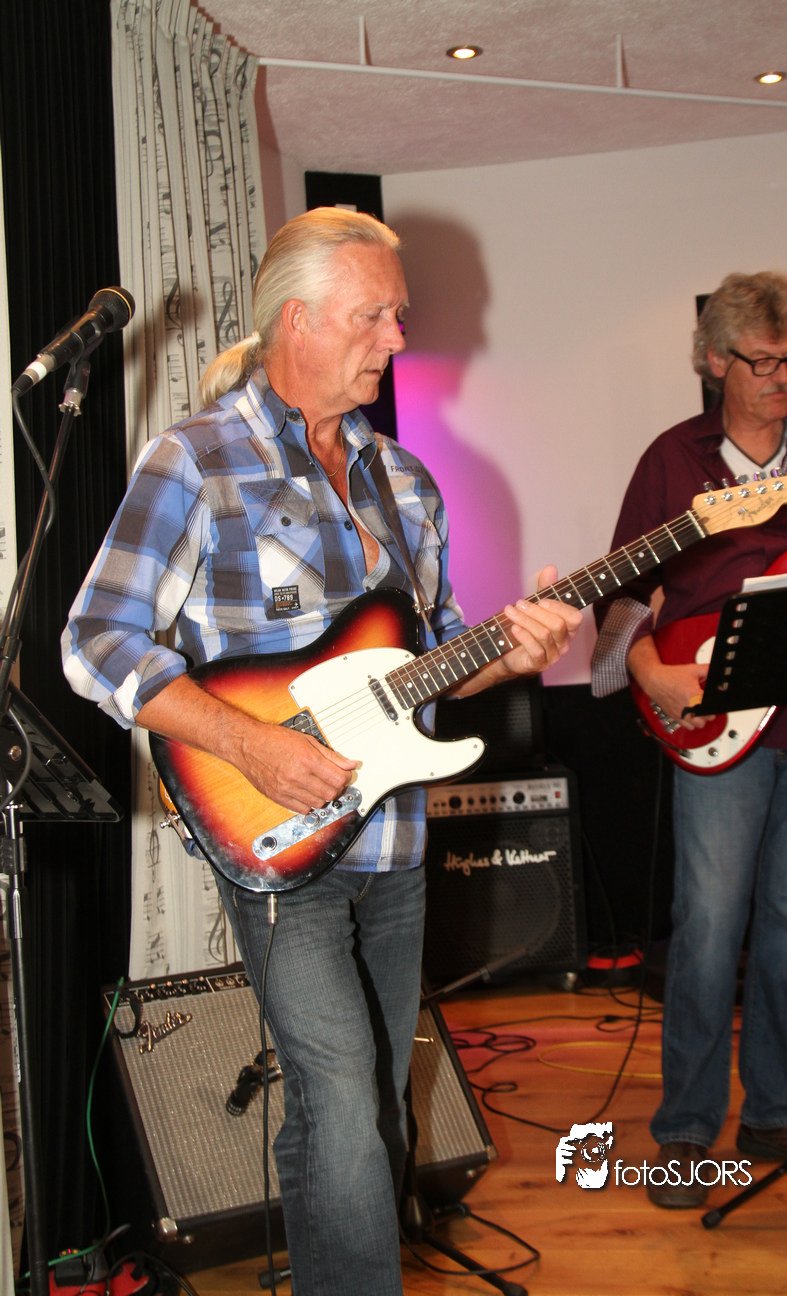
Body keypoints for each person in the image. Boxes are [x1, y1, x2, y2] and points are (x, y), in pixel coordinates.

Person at [62, 208, 581, 1292]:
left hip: (394, 842)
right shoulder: (197, 461)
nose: (399, 337)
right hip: (277, 840)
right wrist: (249, 744)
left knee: (366, 1100)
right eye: (375, 315)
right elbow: (94, 639)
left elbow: (435, 662)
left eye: (401, 315)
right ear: (296, 320)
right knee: (344, 1095)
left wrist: (515, 651)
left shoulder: (406, 482)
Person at [591, 271, 787, 1209]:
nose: (783, 378)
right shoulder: (672, 460)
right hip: (710, 725)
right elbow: (620, 598)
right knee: (708, 930)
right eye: (762, 362)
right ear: (714, 362)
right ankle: (687, 1128)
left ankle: (777, 1109)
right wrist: (649, 673)